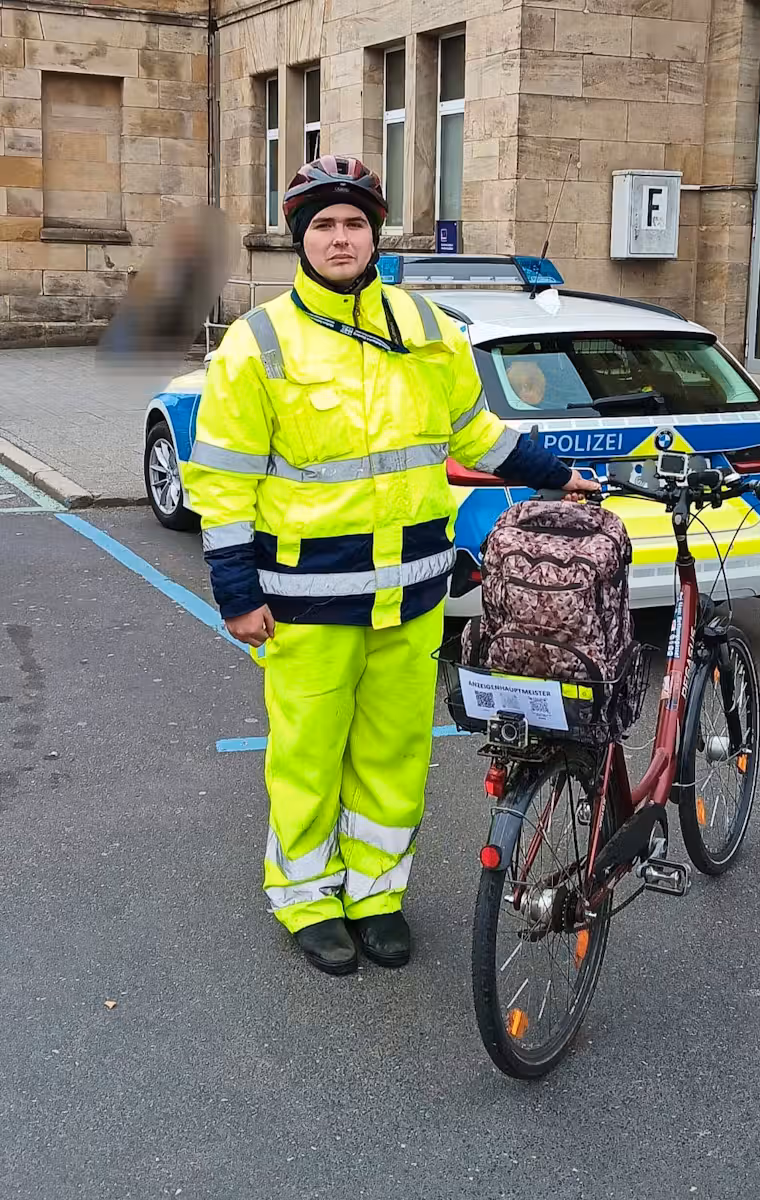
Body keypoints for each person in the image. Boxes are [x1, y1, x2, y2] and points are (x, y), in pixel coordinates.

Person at [182, 156, 600, 976]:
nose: (340, 238)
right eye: (322, 225)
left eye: (354, 223)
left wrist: (556, 471)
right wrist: (236, 593)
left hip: (413, 596)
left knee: (396, 754)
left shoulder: (428, 328)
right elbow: (223, 482)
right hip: (306, 601)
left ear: (376, 232)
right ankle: (307, 900)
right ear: (300, 237)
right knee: (307, 759)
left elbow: (474, 432)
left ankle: (375, 896)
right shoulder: (257, 344)